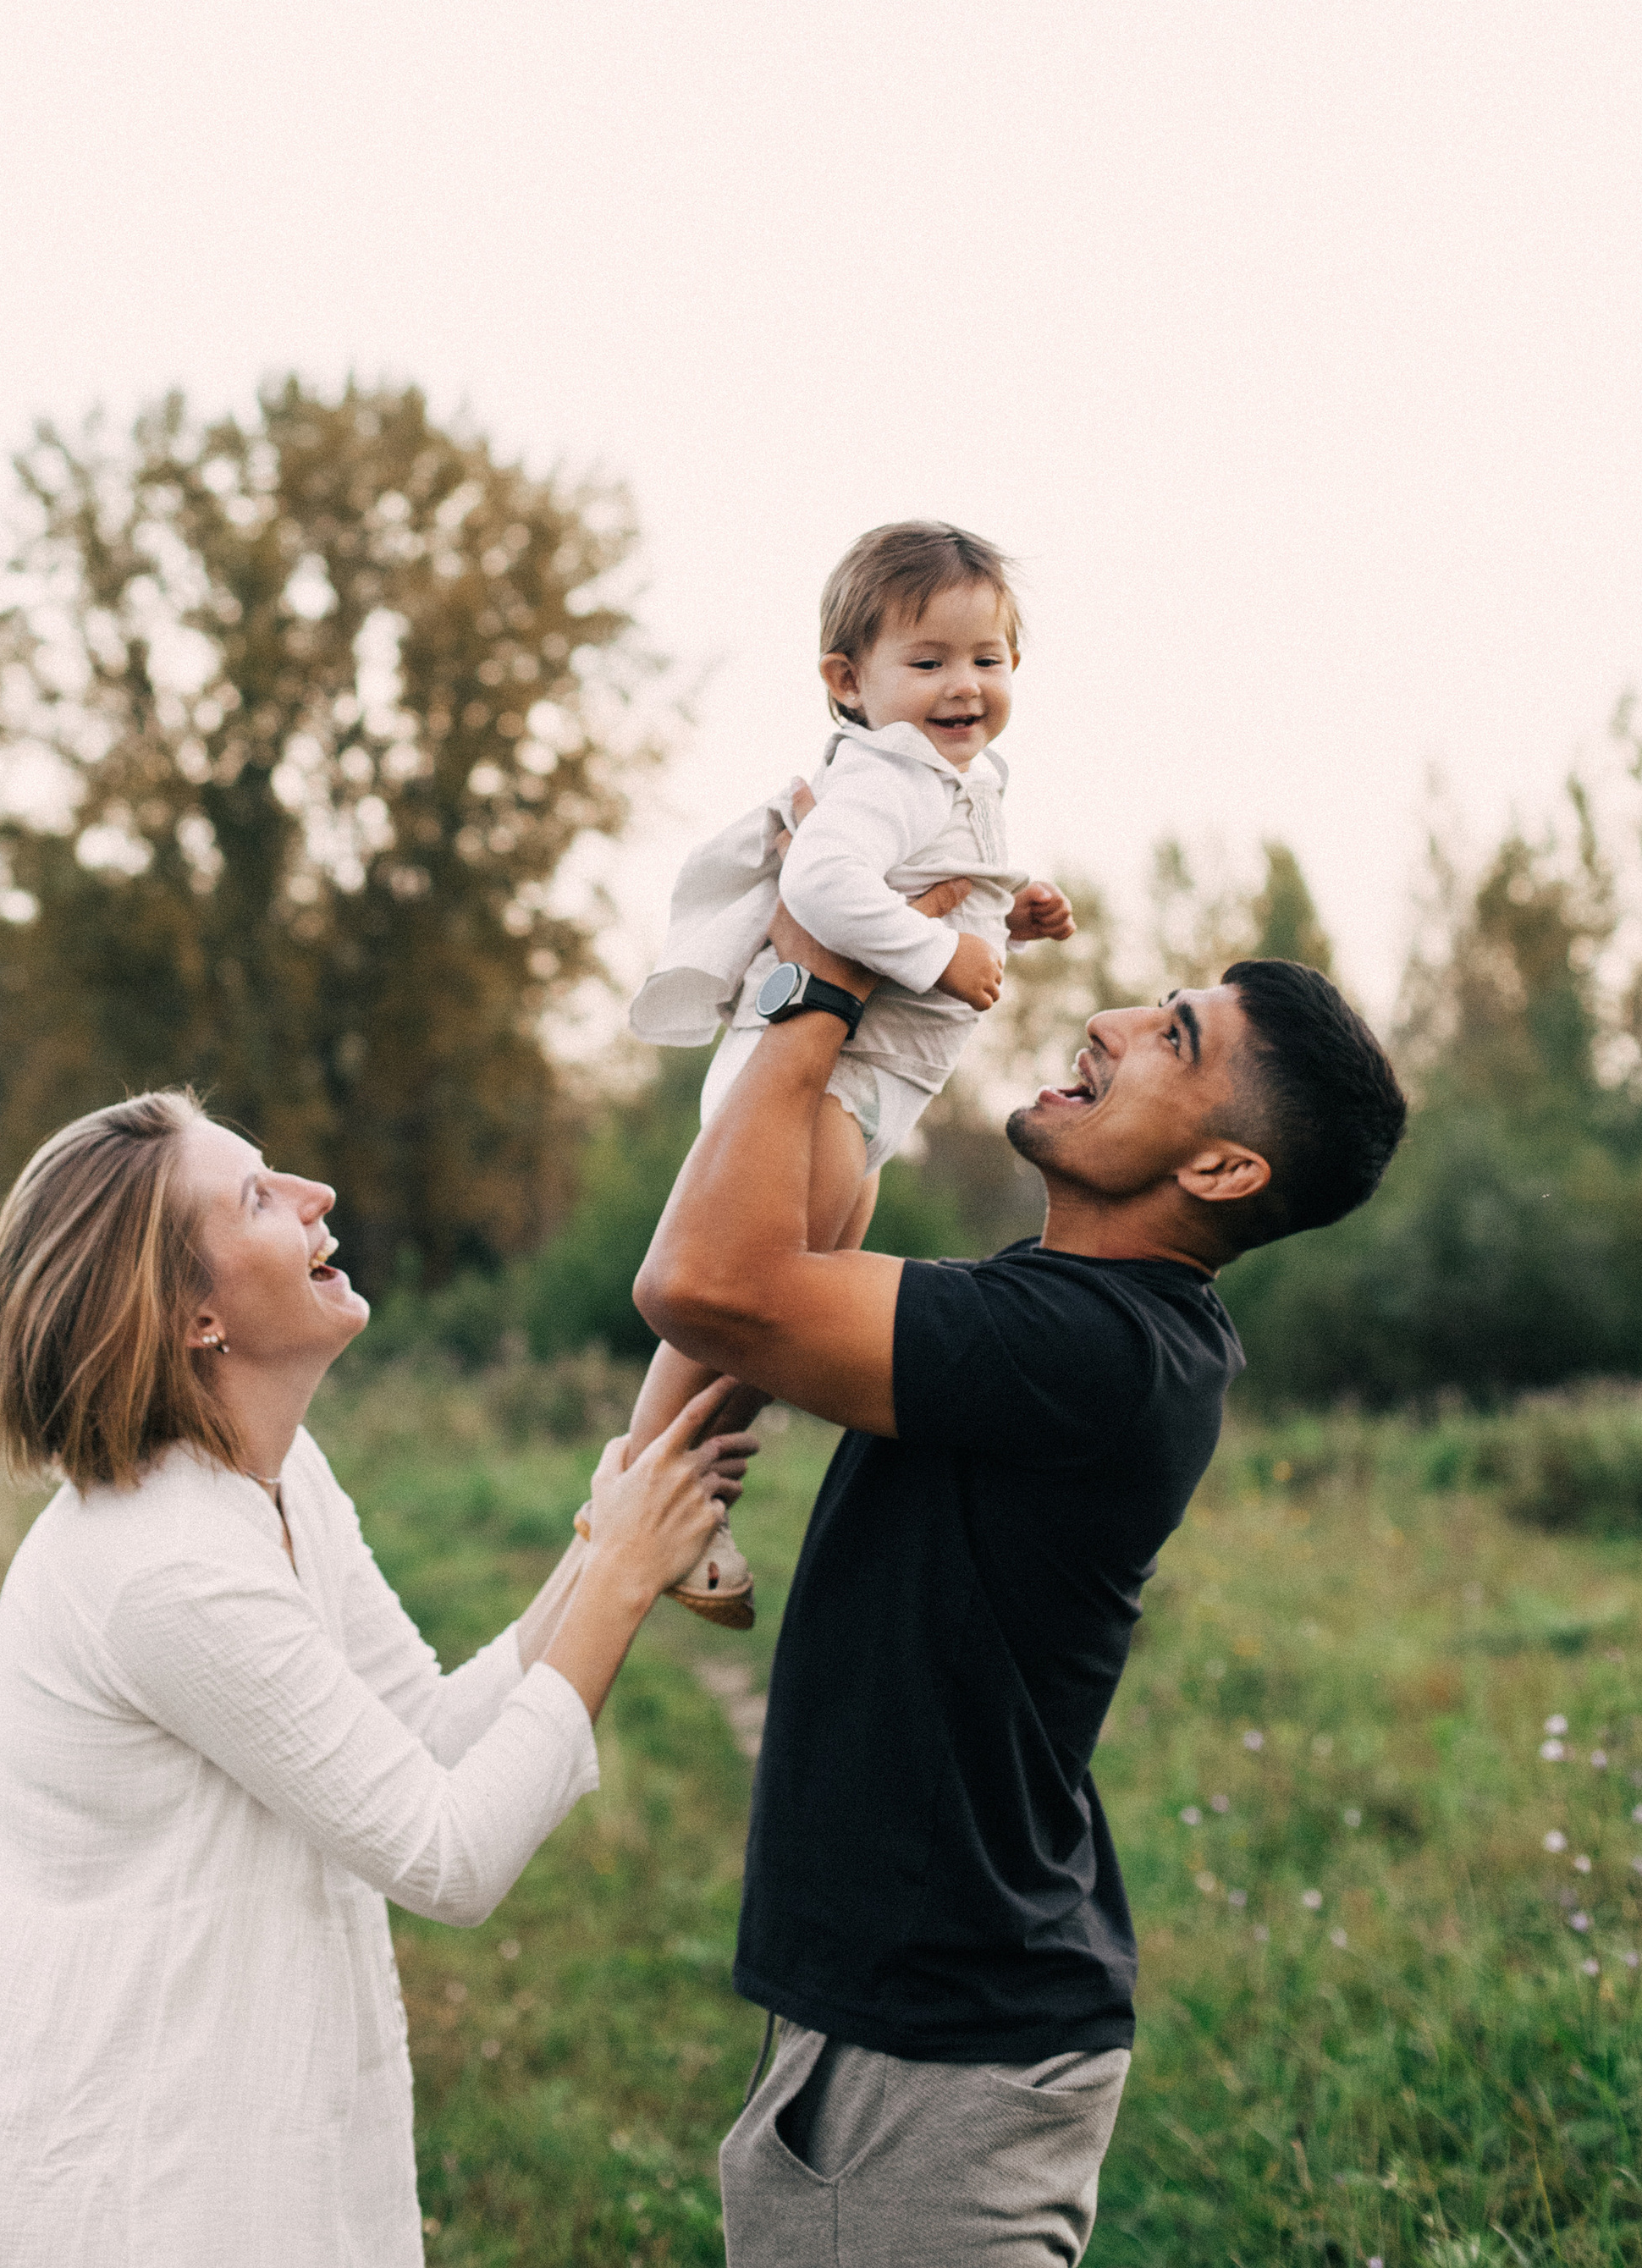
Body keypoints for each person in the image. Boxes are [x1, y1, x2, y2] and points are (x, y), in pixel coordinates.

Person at [0, 1088, 753, 2268]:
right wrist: (618, 1579)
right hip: (55, 2164)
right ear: (193, 1318)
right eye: (258, 1197)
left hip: (172, 2099)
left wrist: (602, 1536)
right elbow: (449, 1856)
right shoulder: (164, 1567)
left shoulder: (277, 1474)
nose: (317, 1196)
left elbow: (421, 1730)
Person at [635, 895, 1408, 2268]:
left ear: (1227, 1172)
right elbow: (799, 1244)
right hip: (934, 2018)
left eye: (1173, 1036)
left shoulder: (1092, 1348)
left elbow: (707, 1281)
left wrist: (816, 980)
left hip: (932, 2049)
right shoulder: (1085, 1318)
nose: (1110, 1021)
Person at [620, 521, 1075, 1624]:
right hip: (817, 1087)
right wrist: (944, 952)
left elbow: (923, 886)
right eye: (928, 663)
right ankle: (635, 1484)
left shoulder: (956, 781)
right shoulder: (884, 779)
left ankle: (678, 1488)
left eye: (987, 659)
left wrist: (1004, 916)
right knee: (742, 1303)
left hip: (865, 1099)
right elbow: (825, 892)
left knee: (777, 1317)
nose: (963, 685)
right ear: (847, 681)